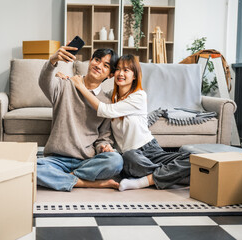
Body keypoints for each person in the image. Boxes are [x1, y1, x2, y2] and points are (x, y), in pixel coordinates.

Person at [60, 54, 191, 191]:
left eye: (126, 70)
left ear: (134, 76)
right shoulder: (112, 96)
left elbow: (105, 110)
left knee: (194, 158)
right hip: (131, 157)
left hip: (150, 150)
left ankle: (145, 181)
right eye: (118, 69)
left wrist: (81, 87)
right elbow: (94, 94)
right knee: (127, 157)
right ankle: (174, 175)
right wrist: (69, 81)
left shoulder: (139, 96)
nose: (120, 73)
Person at [37, 45, 123, 192]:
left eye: (106, 65)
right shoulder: (65, 85)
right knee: (31, 168)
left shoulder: (106, 103)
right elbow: (44, 82)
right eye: (97, 60)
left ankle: (66, 178)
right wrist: (53, 60)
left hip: (86, 161)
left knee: (116, 161)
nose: (99, 66)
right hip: (56, 159)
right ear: (90, 61)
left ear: (110, 75)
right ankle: (85, 182)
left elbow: (103, 137)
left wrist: (103, 147)